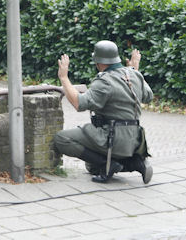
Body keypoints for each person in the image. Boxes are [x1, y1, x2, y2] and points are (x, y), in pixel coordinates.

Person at [54, 40, 153, 184]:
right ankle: (135, 162)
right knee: (91, 167)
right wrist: (134, 71)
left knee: (61, 139)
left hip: (113, 139)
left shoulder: (105, 81)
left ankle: (109, 164)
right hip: (136, 141)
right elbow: (148, 96)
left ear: (99, 62)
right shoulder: (134, 75)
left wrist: (64, 78)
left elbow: (79, 103)